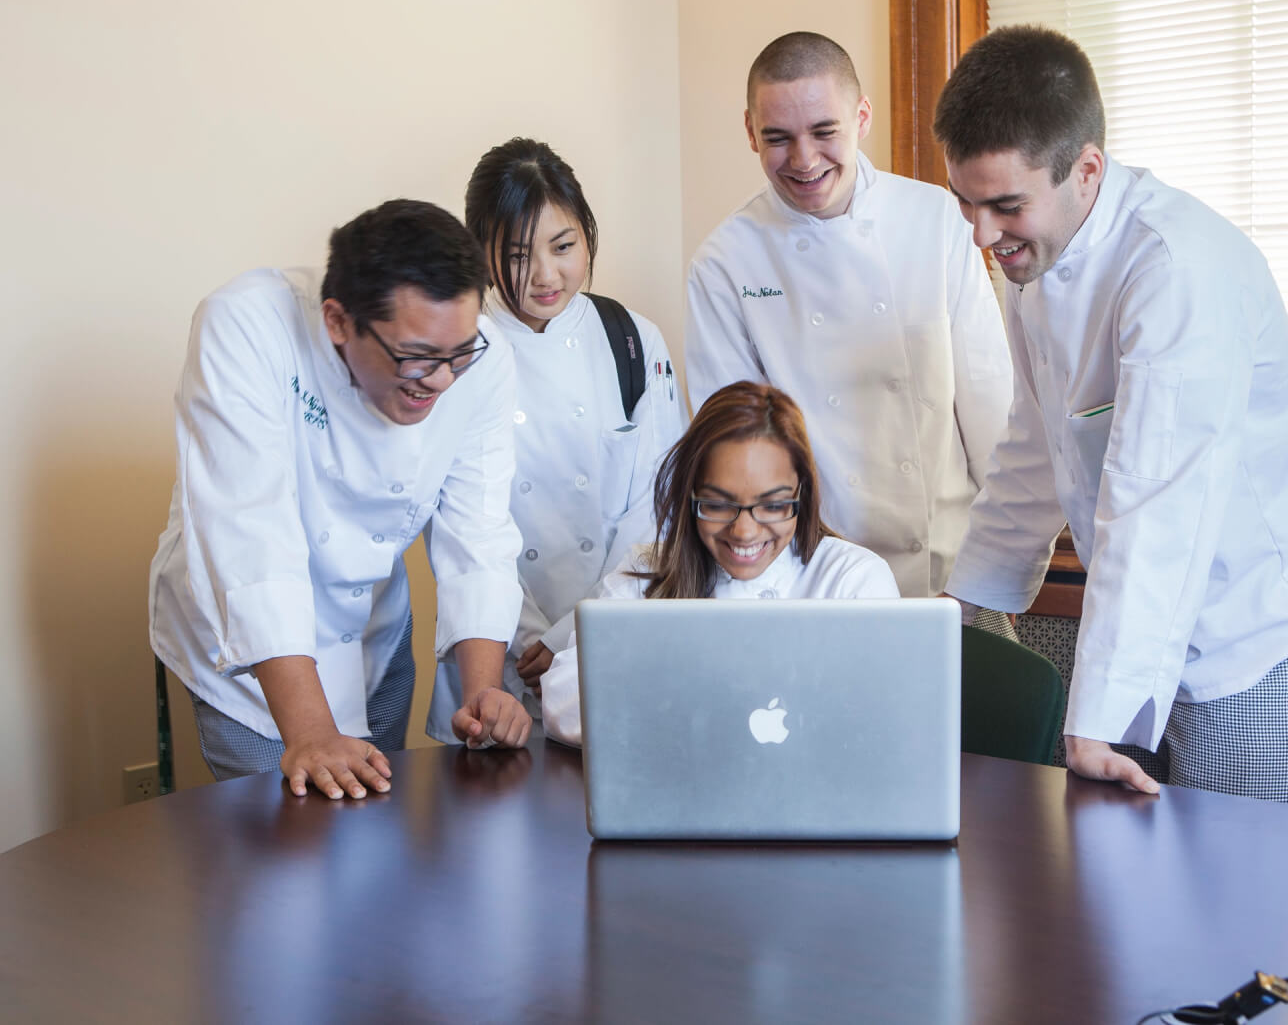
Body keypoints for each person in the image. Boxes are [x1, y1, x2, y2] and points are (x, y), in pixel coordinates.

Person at [934, 26, 1288, 804]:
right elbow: (1038, 439)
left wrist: (1099, 715)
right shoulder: (1038, 254)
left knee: (1229, 893)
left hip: (1248, 626)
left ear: (1086, 169)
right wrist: (967, 604)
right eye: (966, 203)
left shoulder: (1176, 269)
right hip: (1143, 607)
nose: (983, 236)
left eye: (1004, 205)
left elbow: (1159, 501)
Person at [149, 199, 532, 800]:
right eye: (415, 358)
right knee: (288, 857)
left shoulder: (478, 359)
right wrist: (309, 731)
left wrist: (484, 690)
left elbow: (477, 531)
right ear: (337, 321)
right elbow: (250, 536)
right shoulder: (247, 326)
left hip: (375, 626)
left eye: (459, 355)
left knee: (375, 847)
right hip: (256, 658)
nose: (441, 379)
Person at [684, 31, 1013, 601]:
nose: (804, 160)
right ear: (749, 132)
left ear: (861, 116)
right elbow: (736, 455)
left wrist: (997, 569)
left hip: (950, 571)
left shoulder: (936, 218)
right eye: (778, 138)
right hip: (812, 579)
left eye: (824, 131)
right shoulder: (725, 261)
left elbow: (989, 402)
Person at [423, 139, 688, 740]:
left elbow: (660, 506)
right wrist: (520, 637)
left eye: (563, 246)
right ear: (480, 253)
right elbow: (458, 522)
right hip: (493, 653)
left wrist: (575, 631)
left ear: (587, 235)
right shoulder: (457, 348)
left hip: (615, 637)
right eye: (517, 254)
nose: (545, 275)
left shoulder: (632, 340)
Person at [539, 381, 901, 745]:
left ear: (801, 496)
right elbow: (564, 703)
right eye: (718, 504)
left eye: (773, 505)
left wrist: (668, 685)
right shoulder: (648, 571)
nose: (744, 531)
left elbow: (881, 722)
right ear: (689, 495)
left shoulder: (853, 580)